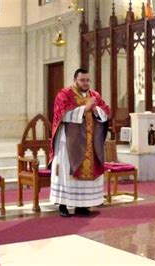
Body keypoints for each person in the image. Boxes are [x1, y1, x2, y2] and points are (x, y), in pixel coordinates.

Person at [49, 68, 111, 217]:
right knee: (66, 171)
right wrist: (84, 109)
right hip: (69, 141)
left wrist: (96, 110)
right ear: (75, 80)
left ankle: (82, 205)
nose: (85, 83)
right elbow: (60, 115)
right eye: (82, 80)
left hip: (90, 141)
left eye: (87, 80)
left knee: (88, 171)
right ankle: (63, 204)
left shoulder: (94, 95)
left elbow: (106, 112)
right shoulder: (64, 94)